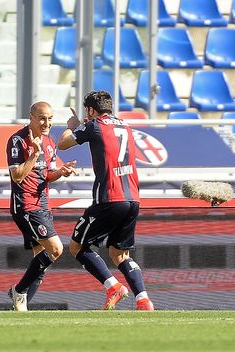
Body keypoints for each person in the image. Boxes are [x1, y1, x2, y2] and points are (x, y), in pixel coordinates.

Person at [57, 90, 154, 311]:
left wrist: (73, 125)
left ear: (91, 110)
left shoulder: (93, 125)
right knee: (119, 254)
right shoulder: (125, 126)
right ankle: (143, 300)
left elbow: (62, 144)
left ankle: (113, 286)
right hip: (133, 199)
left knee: (77, 247)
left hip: (109, 198)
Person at [6, 101, 76, 311]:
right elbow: (17, 176)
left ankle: (21, 304)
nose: (47, 123)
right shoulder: (17, 141)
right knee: (56, 250)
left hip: (43, 204)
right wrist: (34, 154)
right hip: (26, 206)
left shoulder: (49, 142)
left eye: (50, 118)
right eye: (42, 118)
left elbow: (47, 175)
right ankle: (19, 290)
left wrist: (61, 172)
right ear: (32, 117)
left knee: (40, 262)